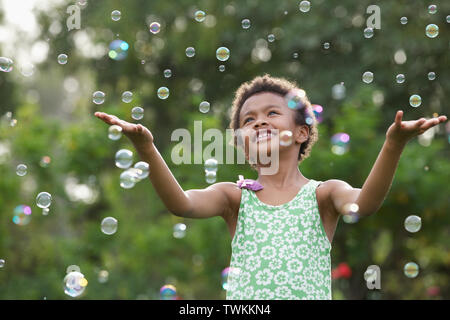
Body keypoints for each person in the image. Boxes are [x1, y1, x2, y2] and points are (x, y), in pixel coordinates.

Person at [94, 74, 447, 300]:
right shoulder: (235, 197)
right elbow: (182, 204)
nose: (260, 120)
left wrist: (393, 145)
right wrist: (147, 149)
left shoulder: (323, 194)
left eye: (272, 113)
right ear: (242, 143)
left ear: (301, 132)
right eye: (249, 120)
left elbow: (364, 204)